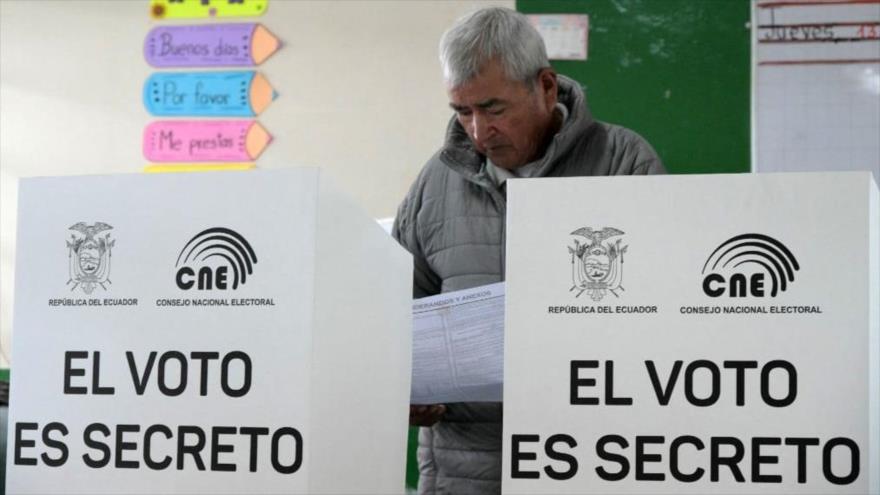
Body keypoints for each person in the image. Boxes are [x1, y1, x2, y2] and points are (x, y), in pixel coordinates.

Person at [393, 7, 665, 494]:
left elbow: (669, 315)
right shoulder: (436, 181)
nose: (478, 131)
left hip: (591, 461)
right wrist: (397, 387)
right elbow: (393, 312)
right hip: (463, 472)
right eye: (462, 111)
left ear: (544, 86)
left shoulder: (624, 163)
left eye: (493, 109)